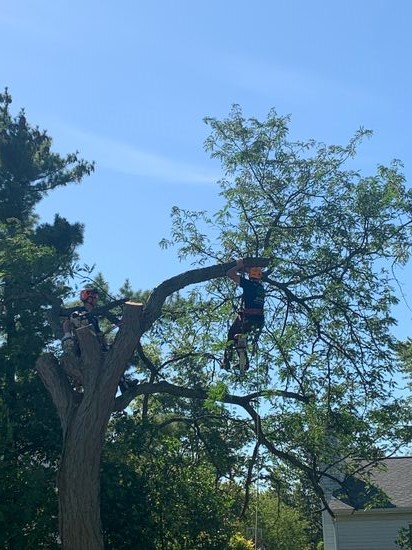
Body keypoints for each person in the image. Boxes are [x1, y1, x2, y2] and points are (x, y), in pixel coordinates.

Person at [223, 259, 265, 370]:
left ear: (250, 276)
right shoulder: (261, 288)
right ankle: (232, 360)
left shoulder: (248, 284)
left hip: (248, 318)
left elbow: (230, 274)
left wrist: (238, 266)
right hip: (258, 319)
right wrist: (245, 269)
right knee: (237, 336)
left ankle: (231, 361)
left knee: (234, 336)